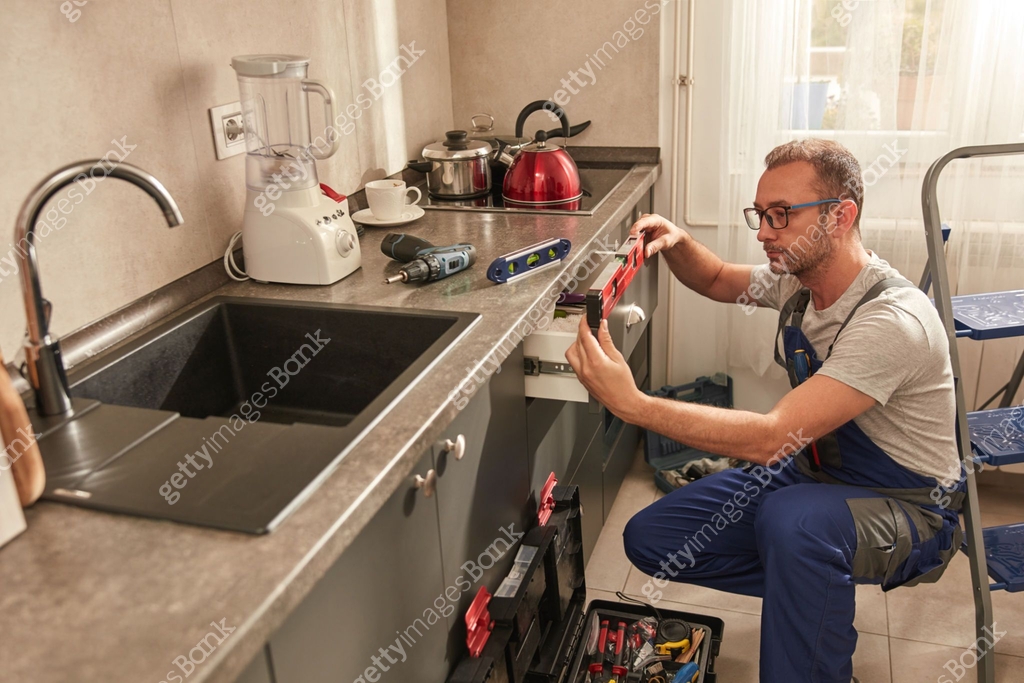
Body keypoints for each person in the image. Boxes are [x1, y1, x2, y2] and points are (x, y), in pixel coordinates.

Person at [564, 139, 965, 683]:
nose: (763, 232)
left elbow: (772, 437)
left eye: (781, 214)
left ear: (840, 216)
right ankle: (813, 585)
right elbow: (715, 279)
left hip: (909, 505)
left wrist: (633, 404)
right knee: (654, 538)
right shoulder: (799, 283)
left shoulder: (890, 321)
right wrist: (677, 241)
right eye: (760, 214)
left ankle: (812, 618)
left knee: (793, 524)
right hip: (817, 473)